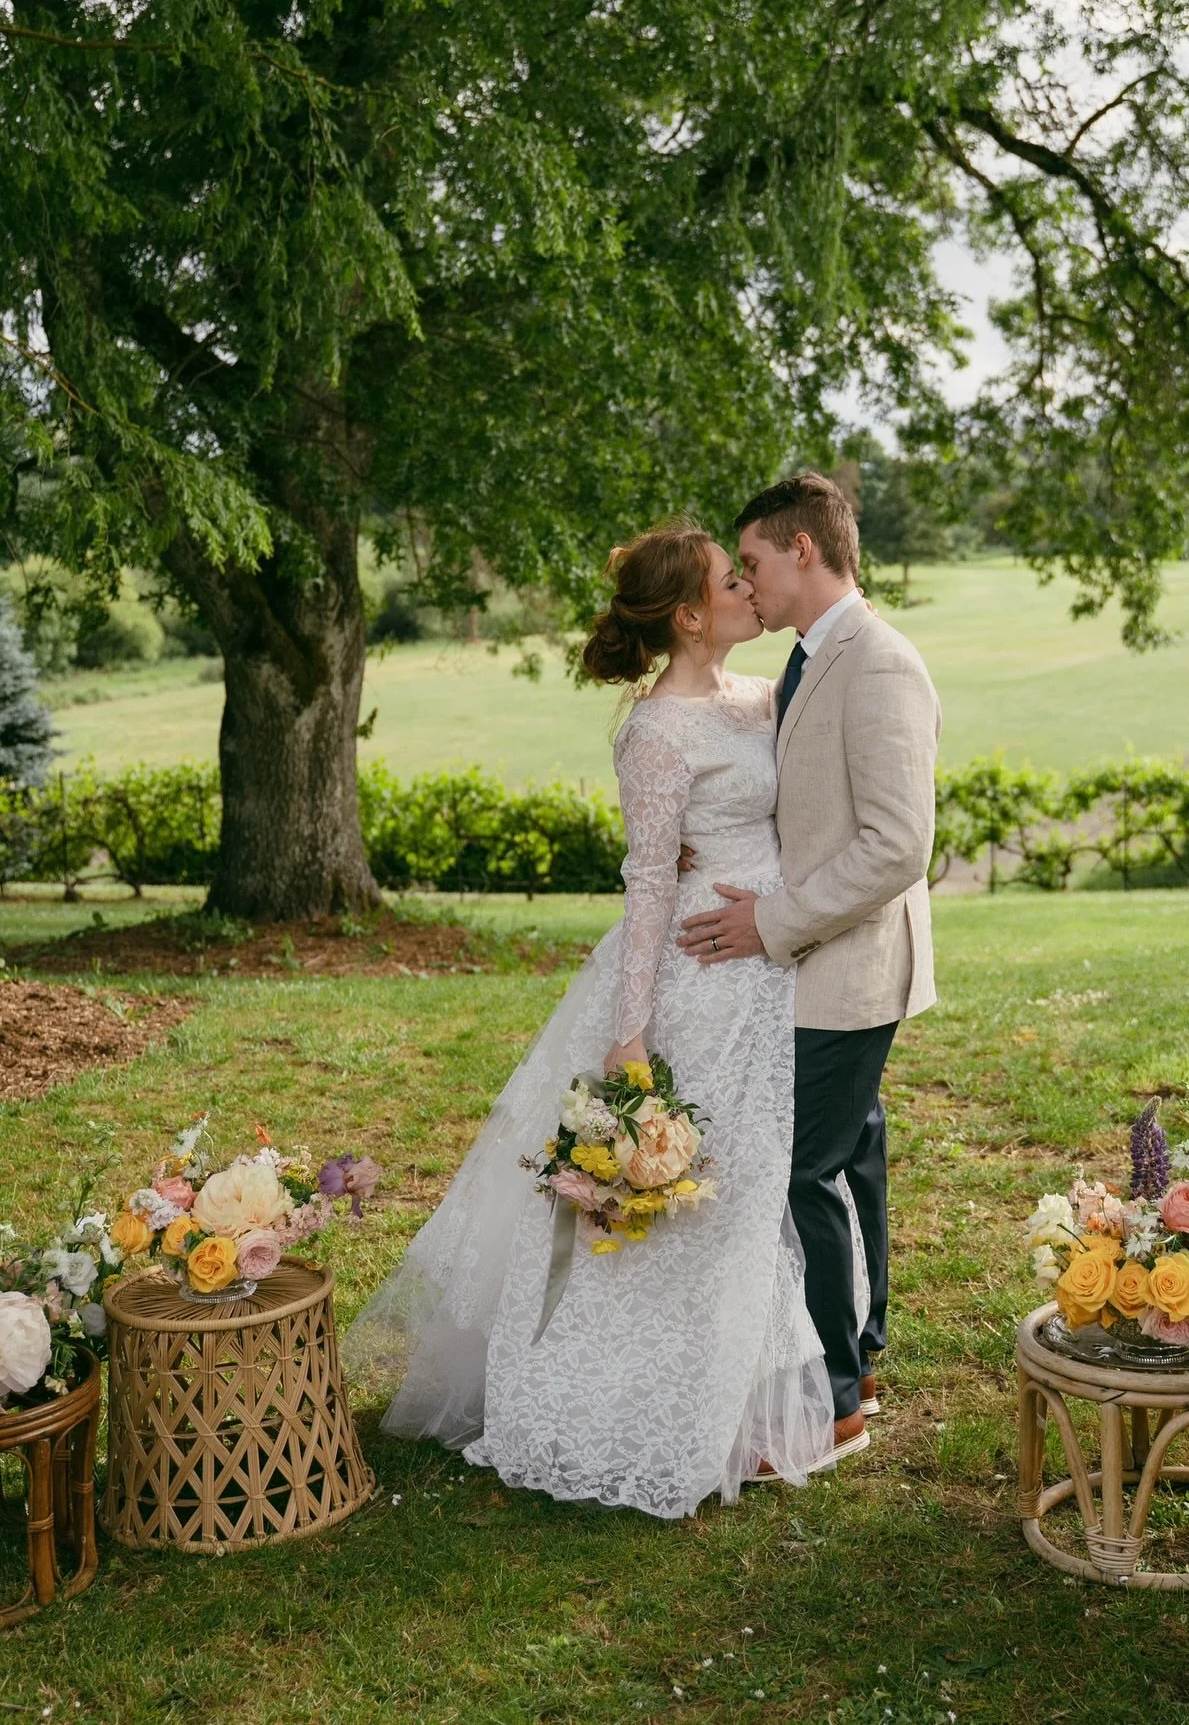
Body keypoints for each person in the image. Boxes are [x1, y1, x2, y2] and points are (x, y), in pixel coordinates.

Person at [344, 519, 838, 1519]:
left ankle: (729, 1398)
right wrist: (630, 1030)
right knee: (686, 1196)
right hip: (697, 980)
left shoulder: (764, 696)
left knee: (748, 1193)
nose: (749, 587)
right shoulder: (655, 732)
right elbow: (649, 879)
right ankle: (621, 1409)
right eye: (728, 580)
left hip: (770, 970)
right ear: (690, 616)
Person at [677, 473, 941, 1450]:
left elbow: (897, 845)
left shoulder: (880, 663)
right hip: (817, 960)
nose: (745, 580)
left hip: (849, 966)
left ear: (802, 549)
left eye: (751, 560)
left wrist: (774, 921)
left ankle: (834, 1402)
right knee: (851, 1161)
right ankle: (860, 1353)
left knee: (803, 1170)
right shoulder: (803, 660)